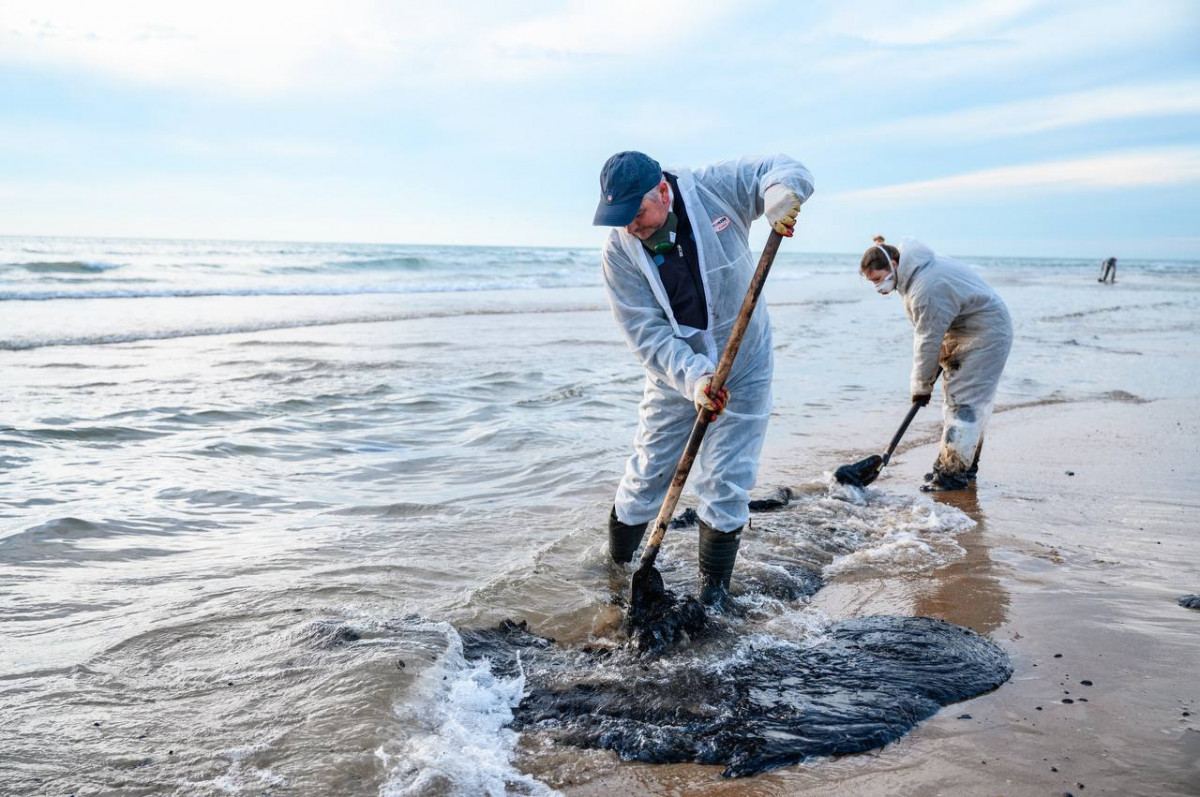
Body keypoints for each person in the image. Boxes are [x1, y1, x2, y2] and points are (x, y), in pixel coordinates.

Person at [593, 151, 814, 604]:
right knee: (646, 476)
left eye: (638, 214)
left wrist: (778, 196)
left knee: (726, 480)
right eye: (621, 218)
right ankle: (615, 577)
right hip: (675, 370)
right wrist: (695, 378)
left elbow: (779, 169)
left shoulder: (713, 189)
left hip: (745, 360)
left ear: (662, 190)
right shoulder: (619, 251)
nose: (631, 226)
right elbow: (645, 334)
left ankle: (714, 598)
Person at [860, 238, 1012, 491]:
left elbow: (927, 339)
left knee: (963, 403)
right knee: (960, 401)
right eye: (871, 282)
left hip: (986, 334)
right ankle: (959, 467)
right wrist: (927, 379)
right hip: (963, 328)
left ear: (894, 264)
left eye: (877, 279)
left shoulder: (925, 288)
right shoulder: (916, 271)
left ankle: (952, 475)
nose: (877, 286)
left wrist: (920, 386)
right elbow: (934, 332)